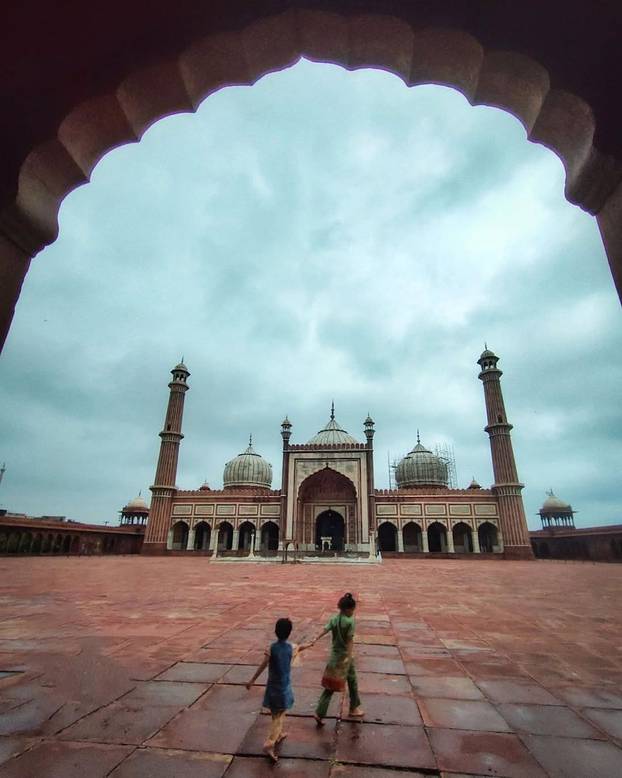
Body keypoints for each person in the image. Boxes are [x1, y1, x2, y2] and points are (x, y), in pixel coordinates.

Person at [246, 617, 311, 763]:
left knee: (276, 712)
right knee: (279, 715)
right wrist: (309, 645)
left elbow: (263, 665)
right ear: (289, 633)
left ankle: (279, 733)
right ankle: (270, 743)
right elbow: (299, 647)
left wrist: (252, 680)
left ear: (275, 631)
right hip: (284, 688)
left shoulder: (271, 648)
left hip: (272, 687)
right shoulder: (291, 647)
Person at [310, 592, 364, 725]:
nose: (353, 612)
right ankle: (354, 707)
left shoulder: (335, 619)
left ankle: (319, 712)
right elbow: (350, 640)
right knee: (353, 681)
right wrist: (350, 656)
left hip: (334, 657)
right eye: (352, 610)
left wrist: (316, 638)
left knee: (329, 686)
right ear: (347, 609)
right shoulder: (350, 621)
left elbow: (325, 629)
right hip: (345, 658)